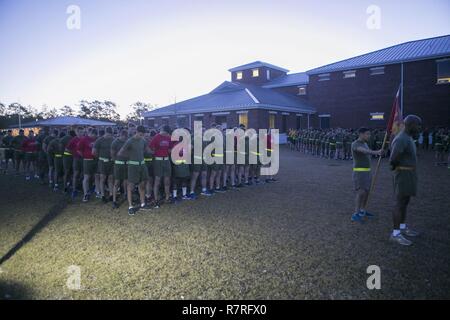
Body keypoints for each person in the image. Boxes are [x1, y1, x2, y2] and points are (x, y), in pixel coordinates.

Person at [389, 115, 422, 246]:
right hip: (403, 173)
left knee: (405, 202)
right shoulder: (401, 138)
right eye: (418, 125)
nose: (419, 128)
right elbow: (393, 158)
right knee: (399, 203)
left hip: (409, 173)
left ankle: (402, 228)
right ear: (410, 124)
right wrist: (399, 169)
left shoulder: (408, 138)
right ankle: (395, 234)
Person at [350, 128, 383, 222]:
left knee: (367, 192)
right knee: (361, 192)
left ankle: (362, 210)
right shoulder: (355, 144)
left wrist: (376, 152)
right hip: (359, 172)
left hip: (367, 171)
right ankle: (355, 214)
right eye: (367, 134)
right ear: (361, 134)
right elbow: (363, 151)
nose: (369, 136)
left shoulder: (365, 143)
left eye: (369, 134)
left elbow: (366, 151)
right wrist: (376, 152)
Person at [118, 125, 152, 215]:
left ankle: (143, 204)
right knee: (131, 186)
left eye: (143, 135)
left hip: (142, 165)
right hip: (133, 166)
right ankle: (130, 206)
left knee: (142, 184)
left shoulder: (143, 140)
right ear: (136, 132)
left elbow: (147, 150)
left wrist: (154, 151)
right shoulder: (130, 141)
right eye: (140, 134)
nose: (141, 136)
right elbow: (120, 152)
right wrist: (130, 157)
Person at [149, 125, 173, 208]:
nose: (166, 134)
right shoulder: (156, 137)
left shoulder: (168, 138)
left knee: (167, 180)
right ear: (163, 130)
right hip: (158, 160)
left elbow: (170, 149)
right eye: (166, 132)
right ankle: (155, 199)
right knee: (157, 180)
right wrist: (155, 153)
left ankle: (167, 198)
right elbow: (150, 147)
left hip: (166, 160)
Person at [93, 127, 115, 203]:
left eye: (111, 134)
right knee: (102, 178)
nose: (110, 136)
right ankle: (102, 195)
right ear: (106, 132)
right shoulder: (99, 140)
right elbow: (94, 151)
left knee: (111, 178)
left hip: (111, 162)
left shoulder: (113, 139)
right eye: (109, 134)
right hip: (102, 161)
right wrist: (99, 158)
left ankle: (111, 195)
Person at [77, 128, 98, 202]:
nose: (95, 137)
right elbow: (78, 149)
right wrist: (84, 156)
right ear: (91, 133)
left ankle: (97, 191)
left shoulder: (96, 139)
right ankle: (86, 194)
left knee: (96, 176)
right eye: (94, 135)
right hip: (87, 160)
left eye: (96, 136)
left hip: (96, 160)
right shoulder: (84, 139)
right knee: (87, 177)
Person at [111, 129, 129, 209]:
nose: (125, 138)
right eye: (124, 137)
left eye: (126, 137)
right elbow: (112, 154)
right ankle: (114, 200)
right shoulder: (115, 142)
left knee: (126, 181)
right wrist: (116, 161)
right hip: (118, 165)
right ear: (121, 135)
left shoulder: (128, 141)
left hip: (126, 164)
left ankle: (125, 195)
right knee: (117, 182)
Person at [66, 127, 85, 198]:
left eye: (82, 132)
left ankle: (80, 187)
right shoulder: (74, 140)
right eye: (80, 132)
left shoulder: (85, 139)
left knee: (84, 174)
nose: (81, 133)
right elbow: (67, 149)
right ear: (76, 132)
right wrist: (74, 152)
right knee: (76, 174)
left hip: (84, 159)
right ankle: (74, 190)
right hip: (76, 159)